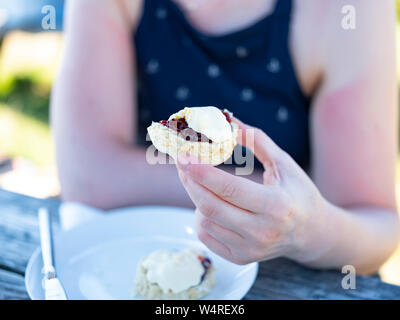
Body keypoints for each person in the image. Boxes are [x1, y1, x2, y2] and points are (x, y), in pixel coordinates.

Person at [51, 0, 399, 274]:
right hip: (133, 268)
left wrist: (306, 229)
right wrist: (273, 195)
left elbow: (375, 224)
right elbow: (86, 176)